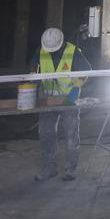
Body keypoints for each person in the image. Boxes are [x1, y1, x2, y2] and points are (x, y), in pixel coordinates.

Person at [32, 27, 90, 181]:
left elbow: (86, 71)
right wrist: (33, 80)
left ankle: (71, 169)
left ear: (61, 43)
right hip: (47, 99)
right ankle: (49, 169)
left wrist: (76, 88)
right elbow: (33, 68)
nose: (50, 51)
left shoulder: (73, 52)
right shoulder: (41, 50)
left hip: (68, 99)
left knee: (71, 135)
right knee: (46, 134)